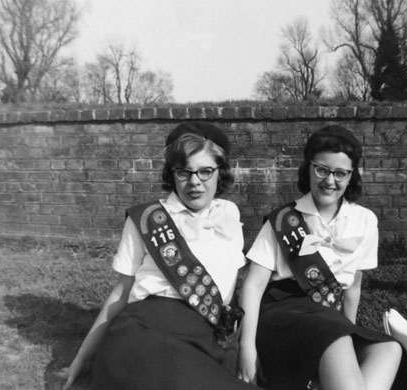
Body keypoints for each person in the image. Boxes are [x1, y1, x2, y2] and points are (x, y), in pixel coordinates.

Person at [57, 122, 263, 390]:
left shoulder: (229, 215)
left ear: (219, 173)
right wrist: (81, 360)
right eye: (183, 172)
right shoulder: (147, 219)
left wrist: (238, 342)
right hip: (144, 330)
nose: (194, 183)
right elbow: (121, 293)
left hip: (205, 334)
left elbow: (229, 286)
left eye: (205, 171)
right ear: (172, 174)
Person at [238, 125, 407, 390]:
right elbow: (252, 286)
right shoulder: (284, 219)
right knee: (336, 343)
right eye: (322, 169)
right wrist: (246, 348)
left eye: (340, 173)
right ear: (308, 168)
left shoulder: (365, 221)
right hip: (283, 311)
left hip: (328, 317)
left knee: (389, 349)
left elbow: (353, 286)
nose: (330, 181)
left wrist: (348, 329)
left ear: (351, 176)